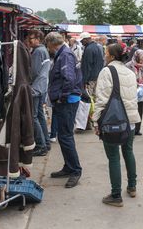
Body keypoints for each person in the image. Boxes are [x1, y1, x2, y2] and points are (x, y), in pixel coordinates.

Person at [92, 43, 140, 207]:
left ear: (112, 56)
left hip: (113, 121)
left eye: (106, 52)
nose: (104, 55)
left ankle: (115, 194)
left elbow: (102, 99)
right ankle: (132, 187)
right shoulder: (130, 71)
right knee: (128, 151)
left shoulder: (107, 71)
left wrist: (96, 120)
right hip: (130, 120)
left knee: (113, 156)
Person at [47, 32, 83, 188]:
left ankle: (75, 170)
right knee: (63, 136)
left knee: (66, 136)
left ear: (52, 44)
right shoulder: (64, 54)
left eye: (47, 46)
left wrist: (62, 97)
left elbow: (69, 78)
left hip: (67, 101)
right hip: (66, 100)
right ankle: (69, 167)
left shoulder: (65, 55)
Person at [28, 30, 52, 156]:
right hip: (42, 87)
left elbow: (34, 72)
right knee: (40, 115)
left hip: (36, 88)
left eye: (31, 38)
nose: (29, 41)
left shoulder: (38, 52)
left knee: (33, 116)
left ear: (38, 38)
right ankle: (46, 143)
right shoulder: (44, 50)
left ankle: (41, 145)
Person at [126, 49, 143, 136]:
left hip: (142, 92)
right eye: (142, 57)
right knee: (131, 110)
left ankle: (137, 129)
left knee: (139, 110)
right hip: (131, 91)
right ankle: (130, 129)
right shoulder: (128, 65)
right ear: (137, 57)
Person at [80, 32, 104, 98]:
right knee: (95, 96)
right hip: (97, 76)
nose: (81, 43)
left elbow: (87, 66)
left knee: (89, 97)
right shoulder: (96, 47)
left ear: (85, 39)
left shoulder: (89, 49)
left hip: (90, 78)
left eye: (82, 41)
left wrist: (85, 80)